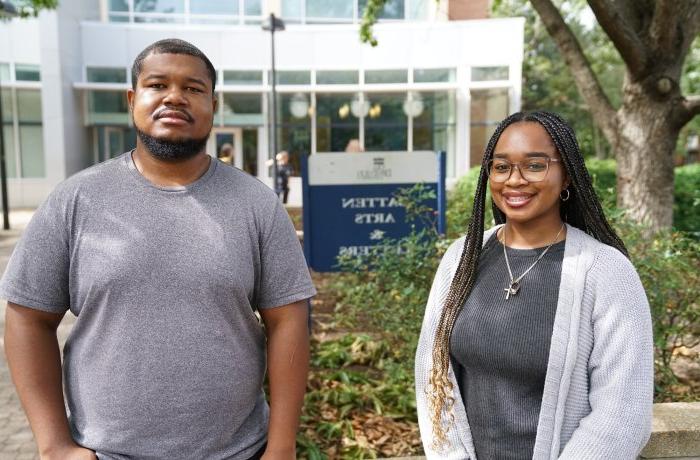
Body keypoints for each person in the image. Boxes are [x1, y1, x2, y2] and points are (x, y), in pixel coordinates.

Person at [2, 38, 315, 460]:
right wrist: (54, 445)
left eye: (193, 88)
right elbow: (27, 317)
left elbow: (288, 320)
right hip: (105, 452)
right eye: (157, 84)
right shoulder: (77, 200)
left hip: (237, 452)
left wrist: (281, 447)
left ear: (213, 105)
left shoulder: (256, 204)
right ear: (133, 99)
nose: (174, 97)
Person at [415, 111, 653, 459]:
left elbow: (622, 414)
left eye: (535, 165)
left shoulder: (605, 272)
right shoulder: (461, 259)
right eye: (501, 166)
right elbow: (432, 373)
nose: (514, 180)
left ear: (566, 174)